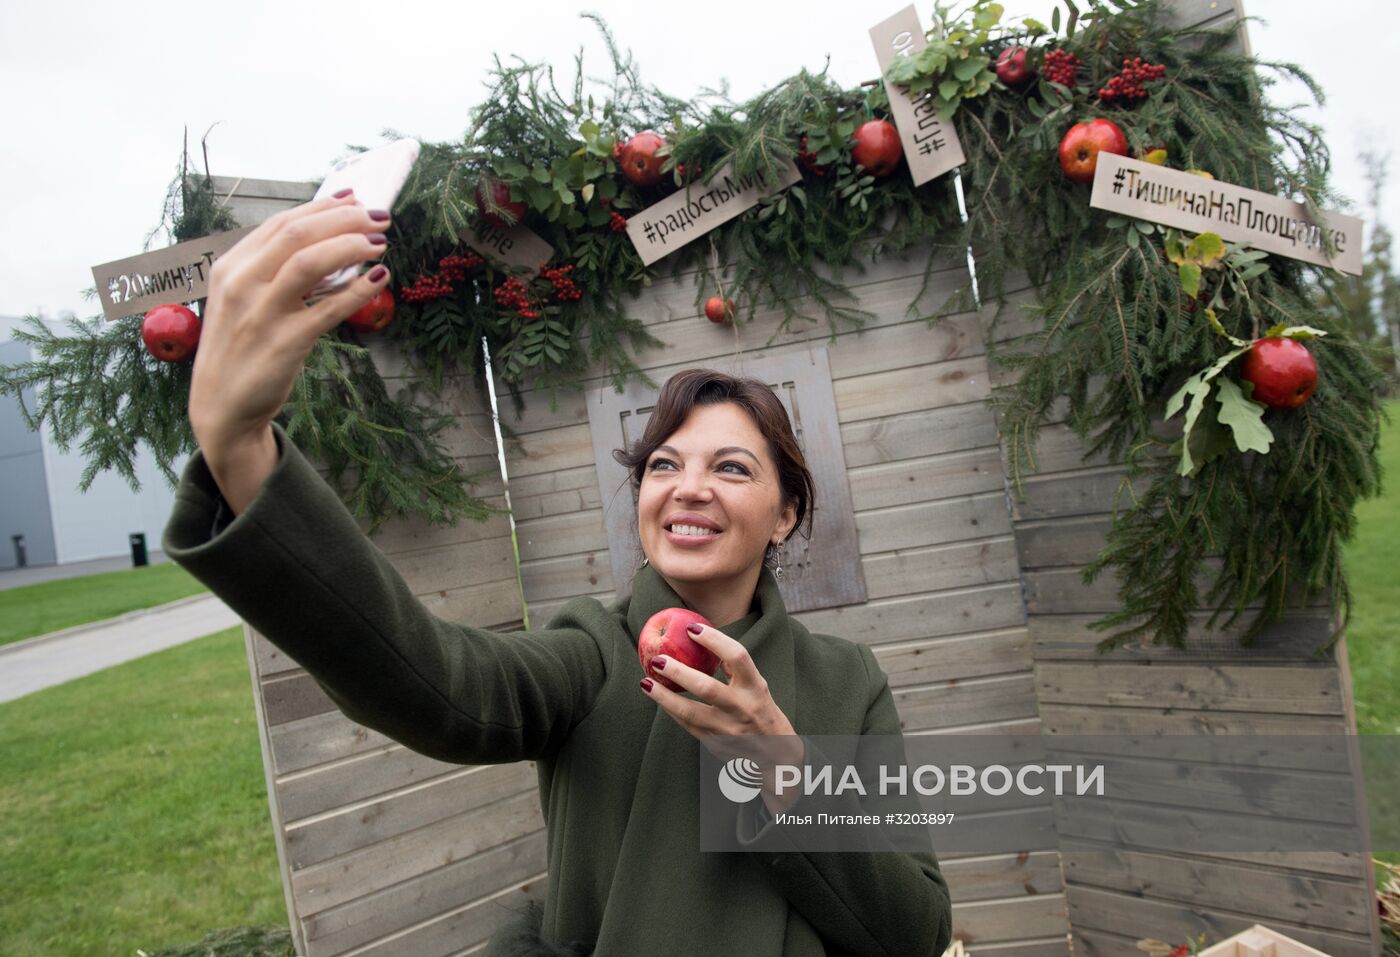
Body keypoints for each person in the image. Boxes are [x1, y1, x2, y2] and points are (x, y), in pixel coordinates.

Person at [162, 190, 953, 956]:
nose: (689, 486)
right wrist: (241, 453)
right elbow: (434, 681)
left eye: (734, 467)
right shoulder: (590, 653)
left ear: (785, 514)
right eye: (664, 463)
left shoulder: (848, 681)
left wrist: (780, 769)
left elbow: (914, 931)